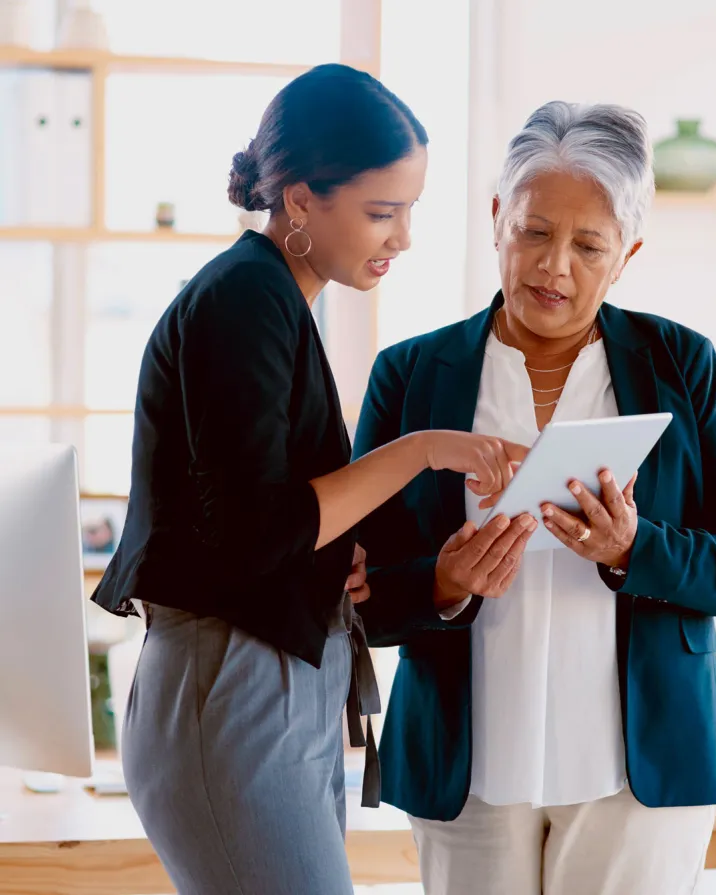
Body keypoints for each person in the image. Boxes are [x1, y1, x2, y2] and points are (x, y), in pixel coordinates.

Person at [90, 64, 523, 895]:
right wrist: (422, 448)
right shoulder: (244, 300)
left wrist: (329, 559)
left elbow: (265, 522)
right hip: (233, 689)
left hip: (265, 684)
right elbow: (256, 528)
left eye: (409, 212)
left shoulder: (274, 299)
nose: (401, 238)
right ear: (297, 199)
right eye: (380, 212)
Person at [352, 100, 716, 895]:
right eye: (535, 231)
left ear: (627, 253)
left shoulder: (683, 363)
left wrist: (634, 549)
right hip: (466, 768)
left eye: (589, 245)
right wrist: (443, 582)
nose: (554, 265)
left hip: (639, 774)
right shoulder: (410, 374)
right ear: (498, 217)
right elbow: (354, 594)